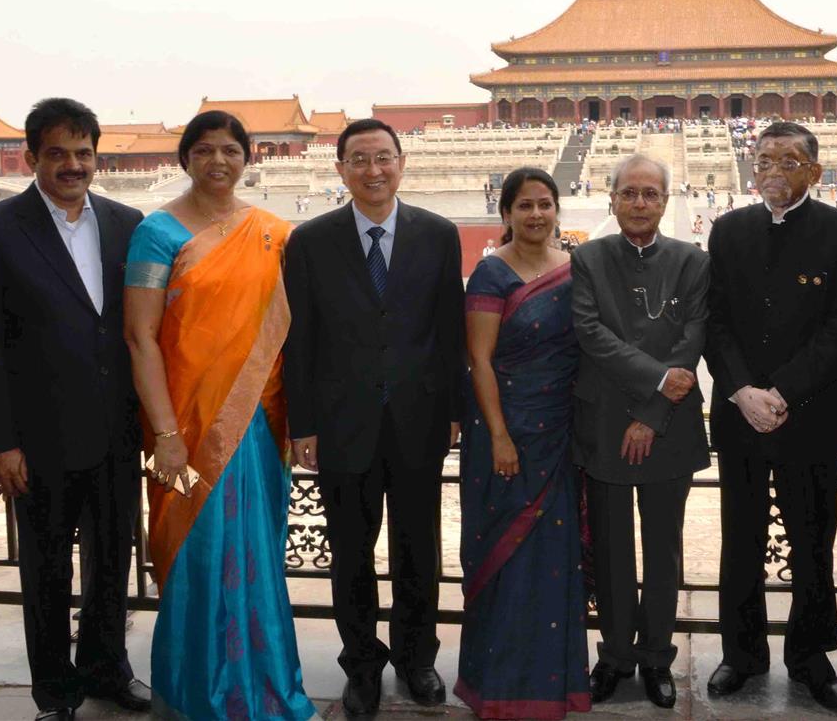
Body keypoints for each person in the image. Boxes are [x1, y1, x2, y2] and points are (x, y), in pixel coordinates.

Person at [0, 98, 149, 721]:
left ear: (98, 156)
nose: (73, 165)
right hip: (37, 439)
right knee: (45, 571)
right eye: (58, 153)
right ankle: (55, 693)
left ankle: (106, 670)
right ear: (31, 156)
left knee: (112, 559)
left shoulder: (128, 223)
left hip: (117, 431)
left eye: (84, 153)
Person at [124, 111, 314, 720]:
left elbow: (291, 332)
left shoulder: (273, 233)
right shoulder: (157, 233)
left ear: (247, 158)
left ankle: (263, 689)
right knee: (196, 554)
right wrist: (164, 435)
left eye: (231, 150)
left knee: (255, 554)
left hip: (259, 424)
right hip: (181, 430)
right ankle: (196, 694)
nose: (218, 162)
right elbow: (140, 338)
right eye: (204, 150)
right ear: (185, 158)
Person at [283, 118, 465, 716]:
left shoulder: (438, 235)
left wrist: (456, 412)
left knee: (419, 549)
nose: (373, 170)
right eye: (358, 159)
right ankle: (361, 663)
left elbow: (450, 332)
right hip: (342, 424)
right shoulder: (310, 241)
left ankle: (417, 659)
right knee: (351, 553)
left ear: (401, 162)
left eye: (383, 157)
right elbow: (300, 339)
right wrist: (302, 424)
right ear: (340, 169)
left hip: (419, 420)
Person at [703, 121, 837, 711]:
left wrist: (785, 391)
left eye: (789, 159)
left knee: (812, 538)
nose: (773, 168)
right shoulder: (728, 229)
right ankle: (740, 655)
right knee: (739, 538)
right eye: (764, 158)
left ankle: (810, 656)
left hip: (812, 416)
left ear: (815, 172)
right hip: (741, 414)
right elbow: (714, 321)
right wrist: (743, 389)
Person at [572, 155, 709, 710]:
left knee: (662, 550)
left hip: (668, 424)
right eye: (629, 193)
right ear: (612, 200)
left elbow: (694, 336)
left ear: (665, 200)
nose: (639, 203)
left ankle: (656, 658)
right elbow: (590, 331)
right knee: (609, 550)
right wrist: (654, 380)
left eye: (650, 194)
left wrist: (650, 415)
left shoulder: (691, 260)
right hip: (604, 421)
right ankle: (614, 656)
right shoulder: (588, 257)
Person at [456, 168, 590, 720]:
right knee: (506, 559)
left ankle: (553, 684)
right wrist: (501, 437)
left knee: (556, 559)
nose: (536, 215)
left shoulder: (576, 270)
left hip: (562, 435)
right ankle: (497, 683)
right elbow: (479, 362)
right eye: (524, 206)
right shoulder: (491, 275)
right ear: (505, 213)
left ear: (558, 210)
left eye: (545, 205)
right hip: (507, 435)